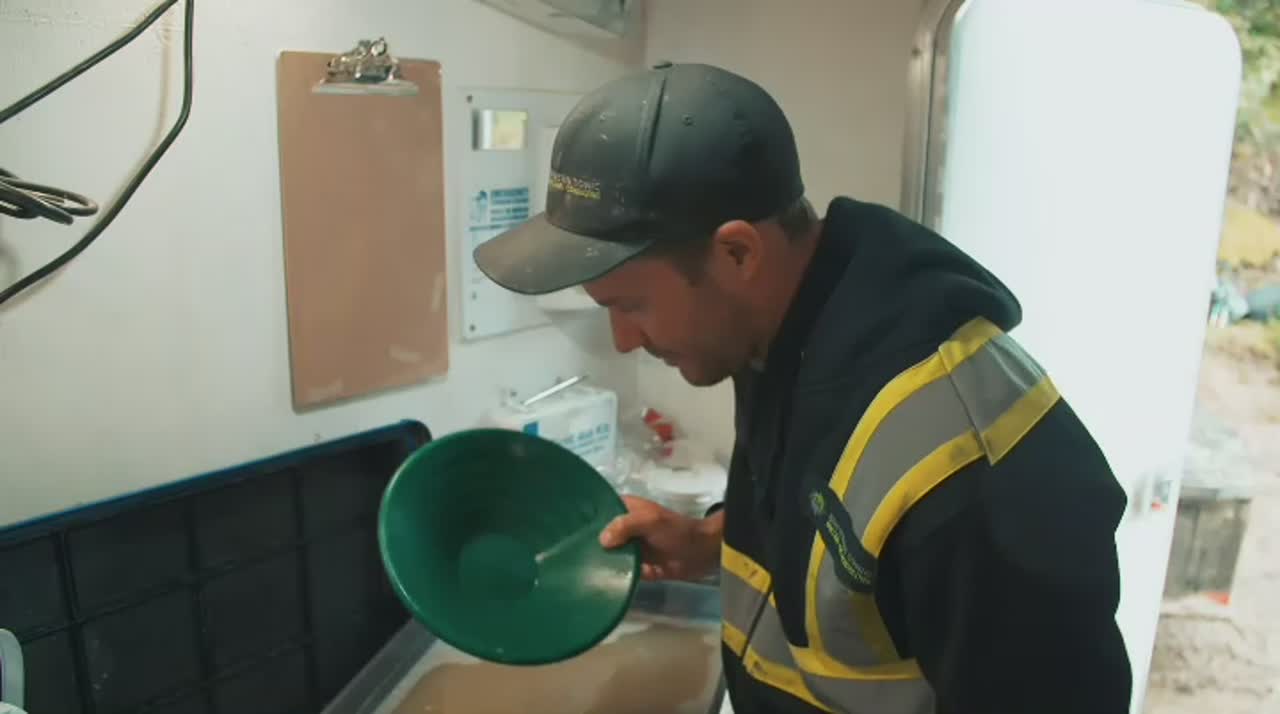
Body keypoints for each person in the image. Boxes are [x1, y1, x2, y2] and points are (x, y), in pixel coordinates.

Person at [473, 62, 1133, 714]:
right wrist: (709, 544)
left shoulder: (968, 466)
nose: (623, 340)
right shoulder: (783, 334)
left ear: (737, 254)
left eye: (631, 306)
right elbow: (839, 538)